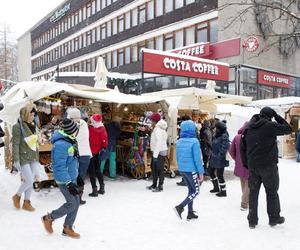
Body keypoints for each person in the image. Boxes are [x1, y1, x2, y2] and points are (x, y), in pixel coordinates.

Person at [240, 107, 292, 229]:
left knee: (253, 193)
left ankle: (252, 220)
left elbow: (242, 147)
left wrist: (246, 164)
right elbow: (288, 128)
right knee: (272, 192)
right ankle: (274, 218)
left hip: (253, 166)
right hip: (268, 166)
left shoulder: (248, 127)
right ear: (270, 116)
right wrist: (277, 116)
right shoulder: (270, 126)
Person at [42, 118, 81, 238]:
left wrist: (76, 176)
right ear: (71, 131)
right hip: (64, 180)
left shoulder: (70, 140)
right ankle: (49, 218)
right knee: (71, 203)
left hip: (71, 177)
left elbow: (72, 161)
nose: (77, 132)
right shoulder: (61, 145)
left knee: (76, 202)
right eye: (76, 130)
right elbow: (59, 167)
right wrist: (69, 183)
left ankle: (67, 227)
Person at [174, 120, 204, 220]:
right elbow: (198, 159)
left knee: (191, 190)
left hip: (183, 170)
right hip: (192, 170)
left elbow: (177, 157)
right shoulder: (194, 142)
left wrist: (180, 168)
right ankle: (180, 207)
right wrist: (201, 172)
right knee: (196, 191)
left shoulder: (179, 141)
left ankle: (190, 213)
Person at [12, 103, 40, 212]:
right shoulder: (17, 126)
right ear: (26, 114)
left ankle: (27, 202)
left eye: (34, 115)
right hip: (23, 156)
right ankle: (17, 196)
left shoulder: (33, 125)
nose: (33, 117)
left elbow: (34, 140)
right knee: (28, 180)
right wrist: (16, 160)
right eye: (31, 114)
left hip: (33, 154)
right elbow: (15, 144)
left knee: (31, 180)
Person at [67, 108, 92, 205]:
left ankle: (75, 197)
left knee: (75, 175)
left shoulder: (74, 126)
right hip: (84, 154)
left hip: (78, 154)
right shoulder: (84, 124)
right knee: (80, 176)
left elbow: (72, 138)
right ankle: (78, 197)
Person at [229, 122, 249, 210]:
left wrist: (236, 158)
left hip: (240, 164)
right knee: (249, 184)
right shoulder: (251, 137)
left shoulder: (237, 137)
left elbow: (231, 151)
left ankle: (246, 200)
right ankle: (244, 203)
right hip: (249, 164)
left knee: (243, 183)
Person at [146, 112, 168, 192]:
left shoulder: (158, 129)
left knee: (159, 169)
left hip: (159, 151)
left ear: (155, 121)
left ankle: (160, 186)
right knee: (154, 168)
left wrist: (155, 155)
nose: (150, 122)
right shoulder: (158, 128)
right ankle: (154, 184)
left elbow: (159, 142)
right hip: (158, 151)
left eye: (151, 120)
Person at [208, 121, 230, 197]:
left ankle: (223, 191)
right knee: (210, 171)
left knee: (220, 175)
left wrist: (218, 155)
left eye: (216, 127)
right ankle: (216, 187)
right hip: (213, 157)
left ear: (219, 128)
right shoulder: (216, 134)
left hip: (220, 158)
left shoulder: (224, 135)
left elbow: (225, 147)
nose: (215, 129)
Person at [88, 114, 108, 197]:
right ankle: (102, 188)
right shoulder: (103, 128)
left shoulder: (90, 128)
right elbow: (105, 142)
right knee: (98, 170)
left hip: (90, 152)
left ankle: (94, 190)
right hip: (98, 153)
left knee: (91, 171)